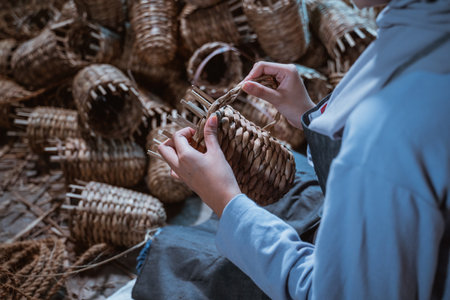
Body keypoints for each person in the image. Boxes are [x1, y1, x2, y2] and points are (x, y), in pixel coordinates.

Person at [134, 0, 450, 299]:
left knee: (172, 256)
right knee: (287, 179)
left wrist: (225, 201)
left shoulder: (386, 133)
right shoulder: (426, 29)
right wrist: (309, 115)